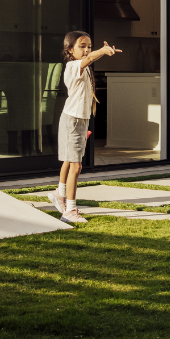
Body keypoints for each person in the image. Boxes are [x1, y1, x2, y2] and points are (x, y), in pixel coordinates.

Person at [49, 31, 120, 224]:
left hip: (78, 120)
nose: (87, 49)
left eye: (89, 45)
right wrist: (103, 51)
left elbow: (89, 60)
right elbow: (89, 58)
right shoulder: (73, 66)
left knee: (69, 161)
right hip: (73, 120)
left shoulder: (84, 67)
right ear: (70, 50)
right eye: (82, 46)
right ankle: (70, 210)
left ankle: (59, 193)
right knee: (76, 165)